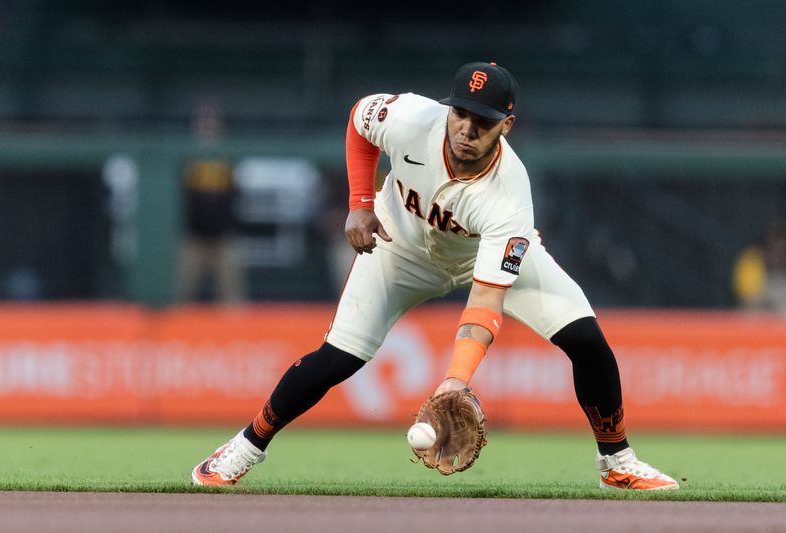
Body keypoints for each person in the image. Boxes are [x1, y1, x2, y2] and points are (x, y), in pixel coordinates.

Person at [191, 62, 679, 490]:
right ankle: (246, 445)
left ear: (506, 125)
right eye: (461, 113)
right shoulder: (410, 118)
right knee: (337, 358)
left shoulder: (509, 194)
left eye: (483, 121)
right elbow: (360, 118)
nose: (466, 128)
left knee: (588, 340)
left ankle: (617, 462)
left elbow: (485, 302)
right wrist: (360, 204)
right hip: (398, 246)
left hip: (480, 254)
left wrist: (454, 381)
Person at [175, 100, 246, 305]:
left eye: (211, 121)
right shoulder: (184, 154)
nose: (207, 125)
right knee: (181, 298)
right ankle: (177, 337)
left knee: (233, 300)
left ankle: (239, 338)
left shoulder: (230, 154)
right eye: (203, 121)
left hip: (224, 237)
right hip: (192, 237)